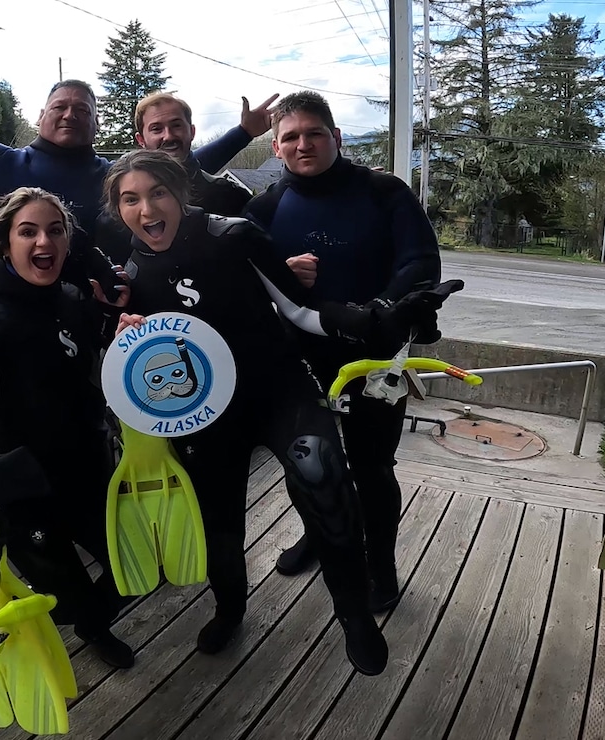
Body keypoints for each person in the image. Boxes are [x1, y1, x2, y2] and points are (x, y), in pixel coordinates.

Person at [103, 149, 460, 675]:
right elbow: (148, 350)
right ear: (117, 208)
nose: (146, 208)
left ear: (180, 194)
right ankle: (230, 608)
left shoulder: (234, 236)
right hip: (207, 409)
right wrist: (126, 337)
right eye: (130, 198)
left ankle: (353, 609)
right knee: (217, 515)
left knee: (322, 473)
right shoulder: (130, 267)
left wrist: (374, 321)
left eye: (157, 192)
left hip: (278, 388)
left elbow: (302, 310)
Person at [0, 24, 275, 269]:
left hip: (99, 304)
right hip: (13, 303)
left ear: (97, 125)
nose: (70, 113)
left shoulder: (113, 174)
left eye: (83, 109)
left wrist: (243, 133)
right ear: (41, 116)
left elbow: (178, 165)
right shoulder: (0, 161)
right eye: (60, 106)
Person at [243, 91, 441, 613]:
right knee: (305, 463)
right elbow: (244, 279)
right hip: (299, 358)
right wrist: (281, 270)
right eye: (290, 137)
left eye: (313, 133)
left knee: (373, 468)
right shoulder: (263, 209)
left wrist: (380, 310)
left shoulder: (382, 191)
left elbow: (420, 261)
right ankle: (320, 535)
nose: (302, 144)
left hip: (375, 354)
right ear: (277, 148)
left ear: (337, 137)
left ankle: (381, 566)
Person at [0, 187, 134, 669]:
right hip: (25, 486)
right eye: (27, 231)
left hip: (87, 471)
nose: (43, 241)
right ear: (4, 243)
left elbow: (95, 368)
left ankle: (91, 624)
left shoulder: (70, 299)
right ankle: (89, 624)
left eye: (55, 230)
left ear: (68, 244)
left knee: (136, 567)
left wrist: (122, 334)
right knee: (67, 598)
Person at [97, 92, 255, 265]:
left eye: (176, 126)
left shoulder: (229, 195)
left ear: (192, 132)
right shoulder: (115, 219)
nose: (168, 136)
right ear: (141, 140)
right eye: (157, 129)